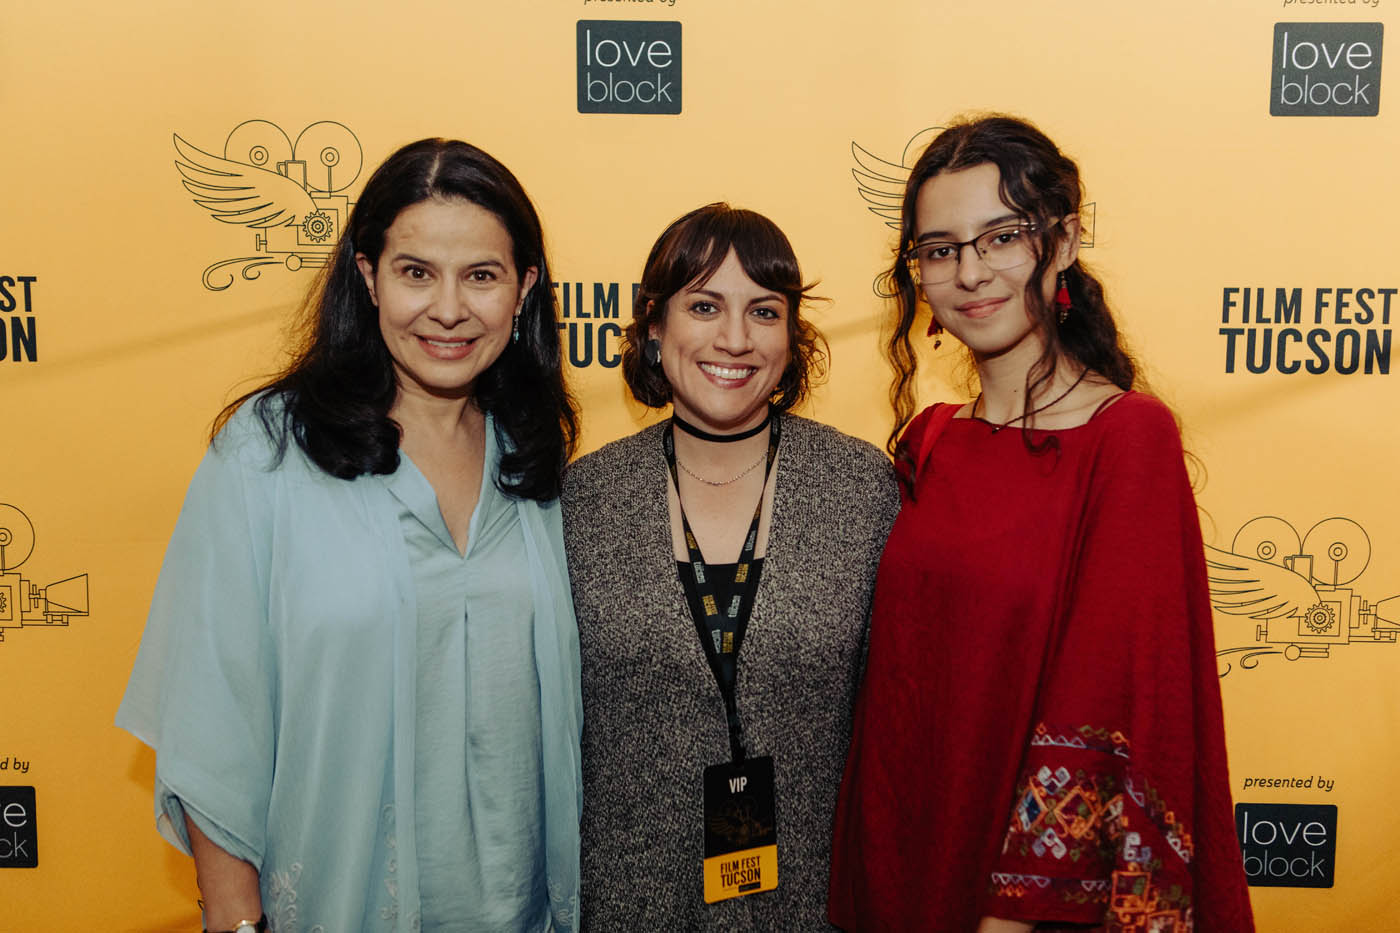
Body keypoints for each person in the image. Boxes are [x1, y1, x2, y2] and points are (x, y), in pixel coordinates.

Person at [116, 139, 581, 933]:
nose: (448, 309)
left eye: (481, 275)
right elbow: (209, 719)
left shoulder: (532, 455)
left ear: (524, 287)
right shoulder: (267, 454)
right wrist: (237, 924)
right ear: (367, 276)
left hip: (523, 913)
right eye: (416, 272)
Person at [828, 116, 1255, 932]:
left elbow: (1112, 687)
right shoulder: (931, 442)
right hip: (910, 868)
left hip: (1039, 904)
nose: (970, 271)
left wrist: (1016, 911)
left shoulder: (1128, 437)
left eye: (1002, 237)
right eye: (940, 249)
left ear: (1062, 242)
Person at [561, 203, 899, 929]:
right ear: (655, 325)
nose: (736, 339)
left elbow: (897, 723)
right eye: (705, 306)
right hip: (630, 901)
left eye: (764, 311)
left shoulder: (862, 486)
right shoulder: (584, 497)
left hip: (811, 902)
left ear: (792, 336)